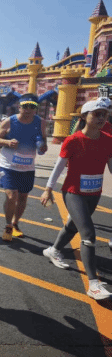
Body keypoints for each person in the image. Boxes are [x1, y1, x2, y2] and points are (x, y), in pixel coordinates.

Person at [40, 98, 112, 300]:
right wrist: (48, 189)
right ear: (84, 116)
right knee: (88, 234)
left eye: (104, 114)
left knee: (73, 226)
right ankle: (94, 284)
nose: (101, 118)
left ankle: (53, 250)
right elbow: (58, 167)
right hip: (73, 192)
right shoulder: (73, 140)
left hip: (94, 193)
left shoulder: (108, 139)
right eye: (96, 114)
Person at [0, 93, 47, 242]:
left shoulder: (41, 122)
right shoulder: (9, 121)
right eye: (25, 106)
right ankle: (8, 225)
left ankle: (15, 223)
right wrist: (7, 142)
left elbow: (43, 139)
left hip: (27, 167)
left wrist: (43, 146)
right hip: (8, 165)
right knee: (12, 196)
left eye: (32, 106)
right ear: (19, 106)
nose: (28, 109)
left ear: (36, 108)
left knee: (23, 197)